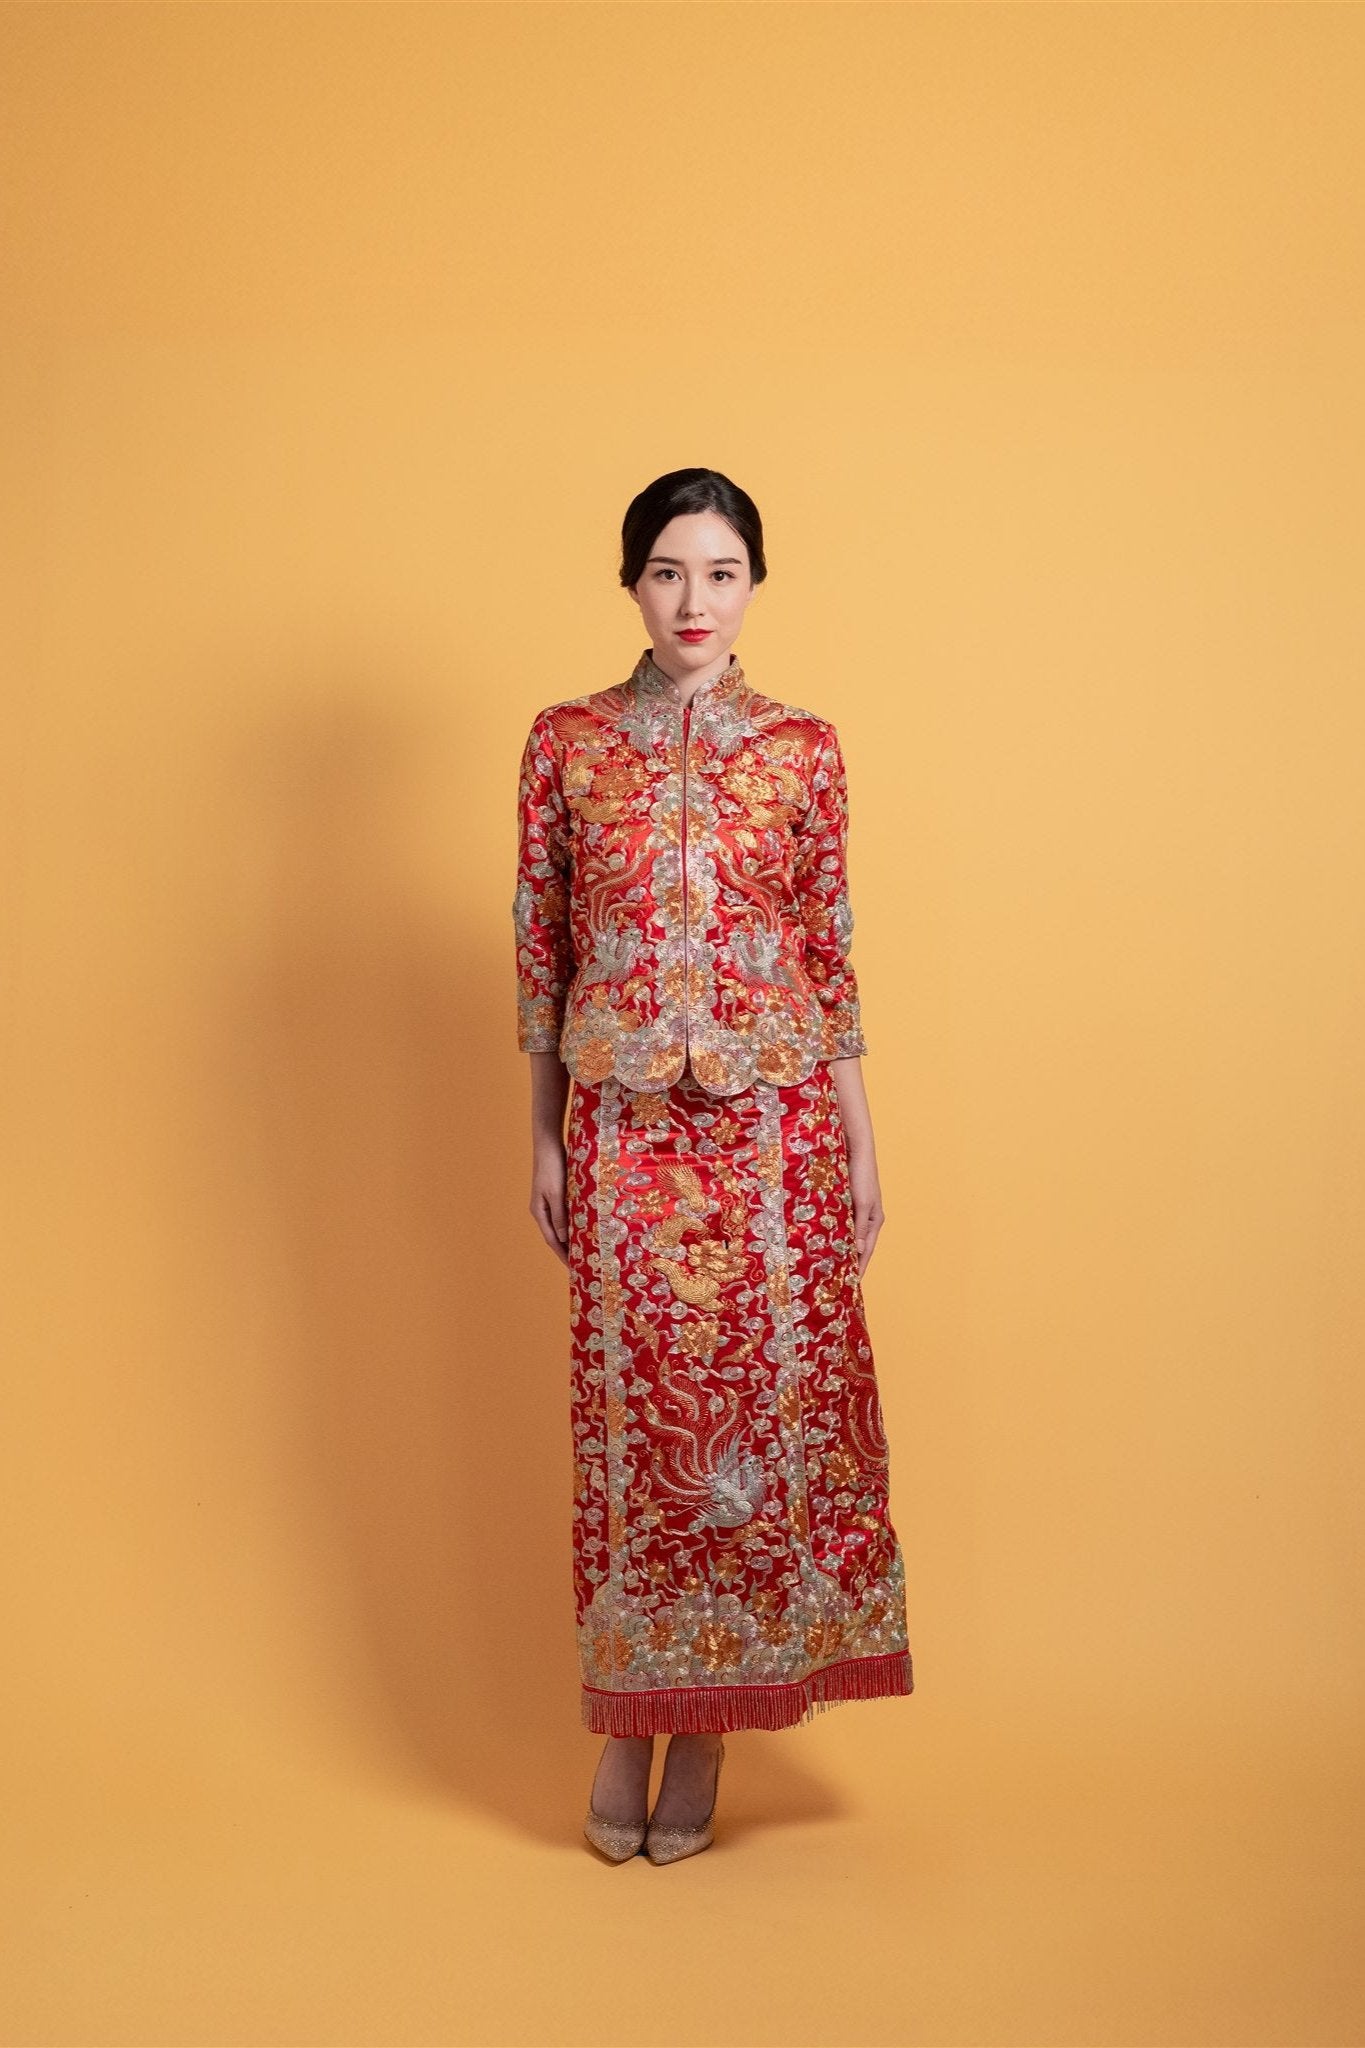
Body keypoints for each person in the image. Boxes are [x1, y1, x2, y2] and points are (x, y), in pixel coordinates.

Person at [513, 467, 913, 1864]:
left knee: (756, 1429)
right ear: (631, 581)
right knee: (638, 1438)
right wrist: (545, 1126)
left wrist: (861, 1136)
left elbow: (829, 949)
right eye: (669, 570)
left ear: (754, 584)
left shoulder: (803, 746)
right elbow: (541, 947)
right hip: (626, 1128)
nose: (694, 600)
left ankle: (710, 1739)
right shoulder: (566, 743)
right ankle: (631, 1718)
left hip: (773, 1135)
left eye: (722, 572)